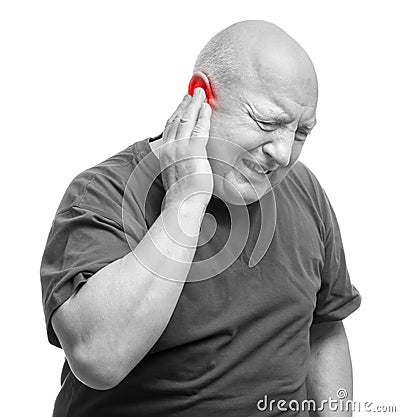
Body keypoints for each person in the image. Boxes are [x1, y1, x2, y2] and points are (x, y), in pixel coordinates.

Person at [40, 20, 361, 417]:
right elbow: (98, 358)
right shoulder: (103, 192)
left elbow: (324, 327)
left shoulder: (303, 190)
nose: (282, 153)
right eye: (268, 123)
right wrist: (184, 203)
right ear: (201, 95)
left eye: (300, 133)